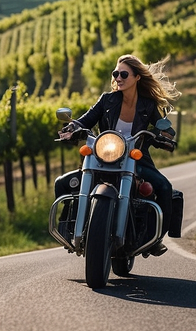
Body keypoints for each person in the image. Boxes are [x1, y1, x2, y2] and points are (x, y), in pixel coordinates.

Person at [55, 54, 181, 256]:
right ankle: (67, 228)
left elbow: (162, 128)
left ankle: (155, 238)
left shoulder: (148, 105)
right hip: (102, 158)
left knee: (164, 187)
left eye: (124, 74)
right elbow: (84, 120)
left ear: (137, 77)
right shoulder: (107, 100)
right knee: (62, 183)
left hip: (134, 159)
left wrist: (164, 135)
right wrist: (72, 127)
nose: (118, 77)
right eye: (116, 73)